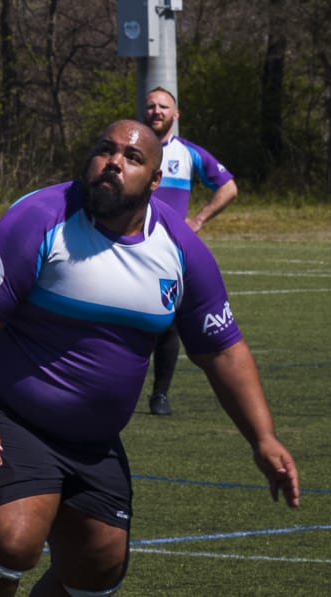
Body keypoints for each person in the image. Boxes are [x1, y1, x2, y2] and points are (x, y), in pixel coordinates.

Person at [0, 121, 299, 597]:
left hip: (96, 441)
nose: (114, 162)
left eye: (132, 159)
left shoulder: (182, 250)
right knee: (12, 539)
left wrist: (263, 438)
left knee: (98, 567)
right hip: (13, 418)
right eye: (105, 151)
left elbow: (221, 349)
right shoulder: (40, 217)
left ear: (155, 182)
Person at [141, 87, 238, 416]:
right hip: (127, 246)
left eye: (163, 106)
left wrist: (197, 219)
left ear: (175, 114)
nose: (156, 111)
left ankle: (160, 396)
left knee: (168, 322)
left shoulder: (188, 153)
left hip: (169, 251)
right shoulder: (131, 149)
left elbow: (229, 186)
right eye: (151, 106)